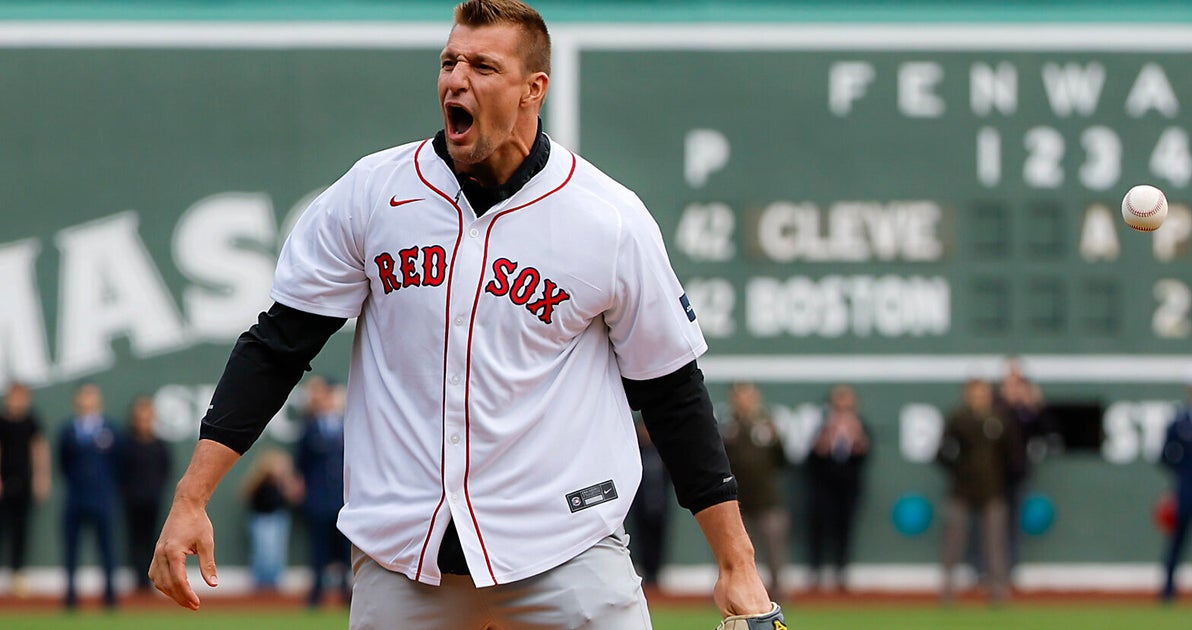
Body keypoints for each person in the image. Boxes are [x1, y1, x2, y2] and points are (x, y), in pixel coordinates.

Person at [148, 1, 774, 628]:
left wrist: (736, 560)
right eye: (450, 61)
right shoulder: (374, 192)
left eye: (482, 64)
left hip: (565, 552)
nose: (456, 78)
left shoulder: (607, 218)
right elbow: (276, 347)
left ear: (534, 89)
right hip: (405, 561)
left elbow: (671, 390)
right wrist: (191, 496)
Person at [936, 378, 1020, 605]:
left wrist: (1005, 478)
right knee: (954, 541)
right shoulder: (958, 419)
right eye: (974, 393)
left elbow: (1013, 456)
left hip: (993, 489)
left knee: (995, 543)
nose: (978, 397)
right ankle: (947, 592)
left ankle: (999, 592)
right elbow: (942, 451)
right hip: (962, 489)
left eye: (982, 393)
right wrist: (958, 469)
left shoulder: (1000, 420)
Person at [721, 382, 788, 600]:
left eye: (748, 397)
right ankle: (731, 592)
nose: (744, 402)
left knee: (773, 552)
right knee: (731, 551)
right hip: (736, 501)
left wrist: (774, 436)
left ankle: (776, 592)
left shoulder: (767, 425)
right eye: (740, 397)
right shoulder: (727, 427)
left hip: (767, 499)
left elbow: (782, 460)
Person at [58, 383, 120, 609]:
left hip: (102, 498)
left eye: (91, 396)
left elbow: (118, 463)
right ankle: (71, 598)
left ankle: (111, 598)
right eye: (83, 396)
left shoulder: (110, 429)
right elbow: (62, 462)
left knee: (107, 549)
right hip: (75, 498)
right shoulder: (68, 430)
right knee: (71, 550)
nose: (87, 401)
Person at [805, 384, 869, 592]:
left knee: (845, 530)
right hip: (824, 487)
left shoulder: (860, 427)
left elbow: (865, 455)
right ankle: (816, 572)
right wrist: (823, 444)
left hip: (848, 487)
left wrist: (858, 442)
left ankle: (841, 571)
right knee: (819, 529)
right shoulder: (822, 427)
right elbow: (810, 458)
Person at [294, 375, 350, 607]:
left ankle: (347, 592)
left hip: (344, 498)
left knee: (346, 551)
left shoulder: (347, 423)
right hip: (318, 499)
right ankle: (317, 595)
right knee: (318, 550)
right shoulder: (310, 427)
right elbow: (302, 463)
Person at [0, 382, 51, 597]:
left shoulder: (31, 421)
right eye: (14, 396)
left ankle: (17, 575)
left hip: (23, 482)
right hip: (5, 481)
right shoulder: (2, 422)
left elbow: (39, 448)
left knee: (21, 531)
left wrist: (41, 477)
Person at [118, 395, 173, 594]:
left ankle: (150, 579)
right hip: (132, 500)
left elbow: (166, 470)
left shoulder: (160, 445)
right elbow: (121, 471)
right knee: (134, 540)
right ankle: (139, 580)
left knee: (152, 540)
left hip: (153, 500)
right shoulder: (127, 444)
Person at [242, 447, 303, 593]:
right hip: (262, 519)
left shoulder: (281, 484)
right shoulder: (260, 482)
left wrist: (287, 481)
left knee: (276, 553)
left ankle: (273, 585)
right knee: (263, 553)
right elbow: (247, 495)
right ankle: (261, 584)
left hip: (278, 519)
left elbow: (295, 497)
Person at [627, 411, 672, 590]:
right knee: (641, 540)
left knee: (659, 540)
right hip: (640, 504)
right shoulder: (636, 451)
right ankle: (646, 575)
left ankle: (656, 575)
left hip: (659, 503)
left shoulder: (662, 451)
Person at [1160, 379, 1192, 602]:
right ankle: (1168, 591)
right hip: (1186, 490)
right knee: (1177, 541)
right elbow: (1164, 455)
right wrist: (1181, 472)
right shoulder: (1179, 421)